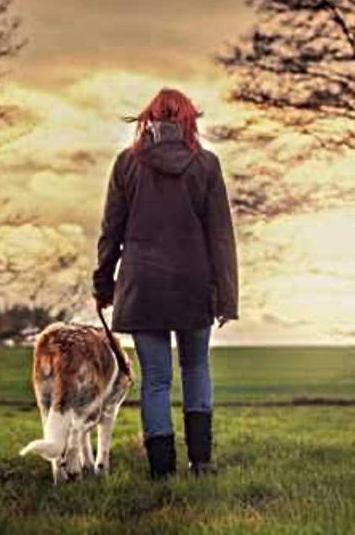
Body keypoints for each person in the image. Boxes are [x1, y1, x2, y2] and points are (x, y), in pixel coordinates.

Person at [92, 87, 239, 479]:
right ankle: (201, 464)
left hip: (143, 288)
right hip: (194, 284)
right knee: (195, 369)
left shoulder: (126, 164)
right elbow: (221, 235)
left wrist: (103, 284)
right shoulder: (206, 165)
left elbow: (111, 231)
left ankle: (161, 472)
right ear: (189, 121)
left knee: (156, 379)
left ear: (148, 120)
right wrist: (227, 297)